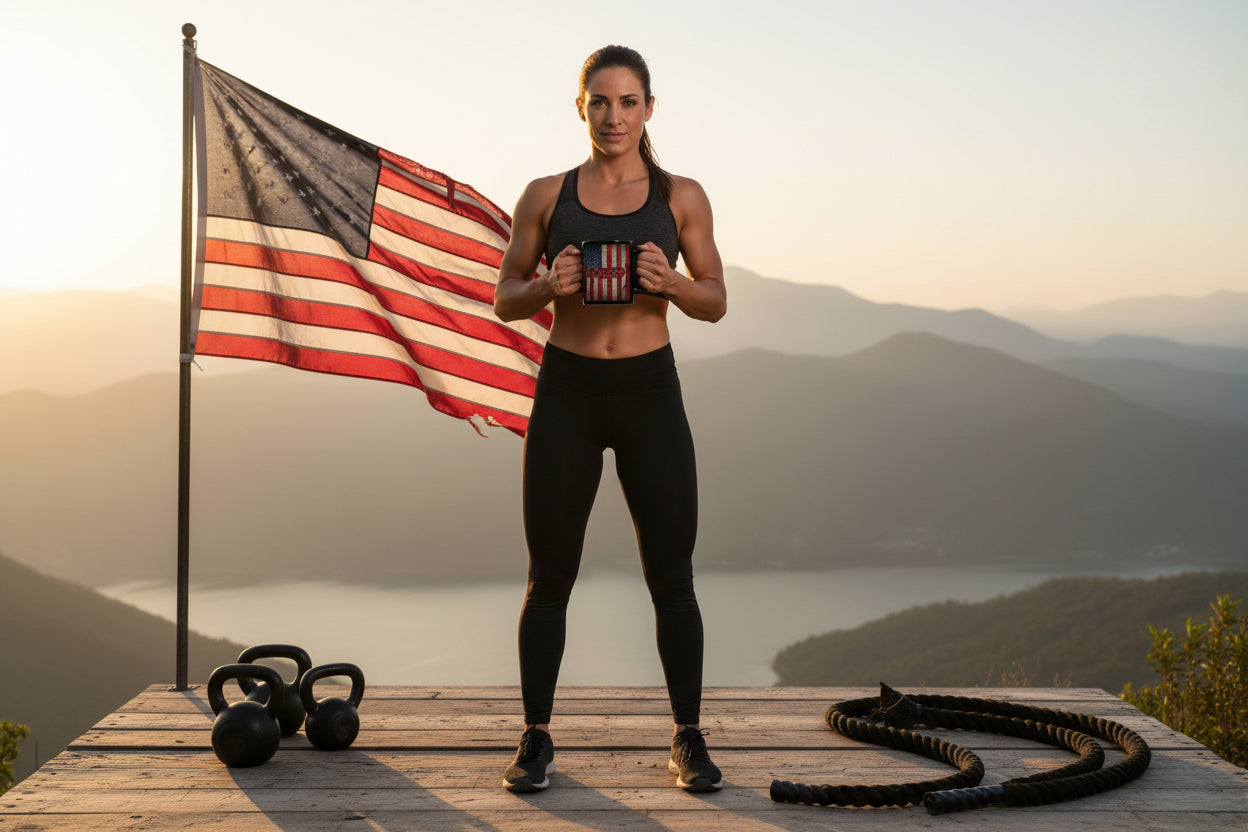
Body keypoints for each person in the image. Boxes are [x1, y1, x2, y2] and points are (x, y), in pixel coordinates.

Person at [493, 44, 727, 794]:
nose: (614, 115)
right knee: (548, 577)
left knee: (673, 576)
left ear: (649, 109)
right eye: (600, 101)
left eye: (628, 102)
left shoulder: (682, 195)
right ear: (581, 107)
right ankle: (535, 738)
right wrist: (544, 285)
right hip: (566, 390)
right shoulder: (544, 194)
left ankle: (688, 737)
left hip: (649, 393)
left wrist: (676, 285)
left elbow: (717, 299)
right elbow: (504, 297)